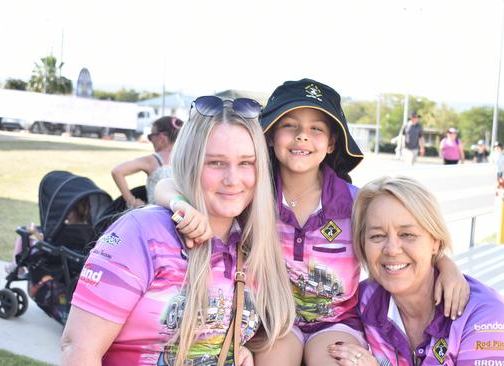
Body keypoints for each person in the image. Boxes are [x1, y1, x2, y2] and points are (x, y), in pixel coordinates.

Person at [155, 79, 470, 366]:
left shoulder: (356, 202)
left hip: (337, 323)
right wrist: (180, 205)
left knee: (336, 360)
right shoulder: (253, 192)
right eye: (290, 125)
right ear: (270, 135)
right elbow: (166, 185)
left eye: (316, 129)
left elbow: (407, 236)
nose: (302, 135)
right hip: (275, 318)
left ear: (333, 142)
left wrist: (445, 265)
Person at [61, 100, 296, 366]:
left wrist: (235, 350)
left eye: (246, 163)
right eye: (216, 163)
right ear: (190, 162)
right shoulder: (142, 233)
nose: (233, 179)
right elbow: (78, 348)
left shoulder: (254, 244)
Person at [328, 176, 504, 365]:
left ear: (435, 242)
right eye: (377, 236)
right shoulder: (361, 302)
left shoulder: (486, 317)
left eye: (407, 234)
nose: (391, 249)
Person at [110, 116, 182, 207]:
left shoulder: (153, 160)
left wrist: (132, 201)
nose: (150, 140)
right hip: (184, 214)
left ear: (161, 137)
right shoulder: (189, 159)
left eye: (150, 136)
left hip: (157, 217)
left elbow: (117, 171)